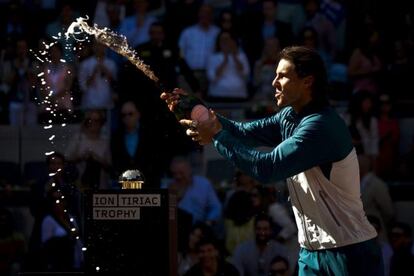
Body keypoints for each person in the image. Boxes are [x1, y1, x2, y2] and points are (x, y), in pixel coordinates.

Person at [161, 46, 383, 275]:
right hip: (311, 252)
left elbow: (265, 168)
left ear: (307, 82)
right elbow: (242, 132)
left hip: (350, 253)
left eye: (282, 76)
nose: (274, 82)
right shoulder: (290, 115)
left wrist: (215, 136)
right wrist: (198, 111)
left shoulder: (321, 126)